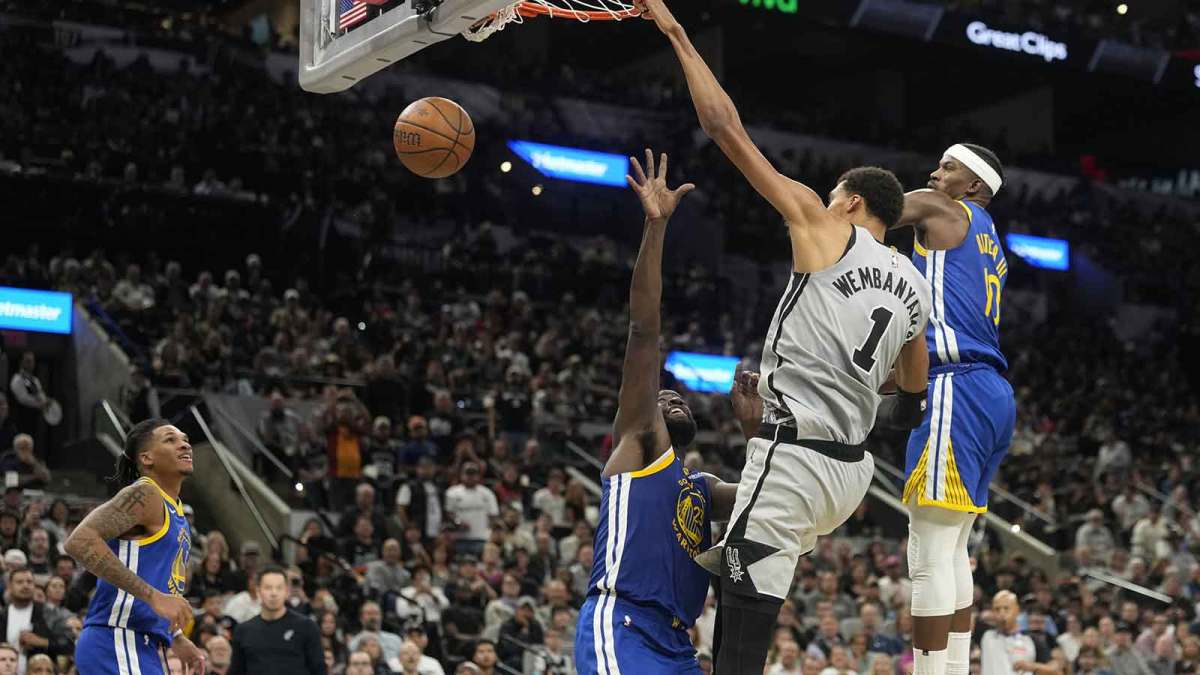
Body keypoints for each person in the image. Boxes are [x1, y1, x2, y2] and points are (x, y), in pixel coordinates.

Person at [640, 4, 932, 671]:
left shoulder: (828, 227)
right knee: (726, 544)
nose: (824, 201)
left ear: (852, 202)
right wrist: (787, 422)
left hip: (796, 463)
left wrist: (676, 33)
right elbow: (910, 404)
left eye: (833, 194)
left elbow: (724, 127)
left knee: (740, 638)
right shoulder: (915, 290)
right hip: (847, 474)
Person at [572, 149, 739, 675]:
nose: (670, 397)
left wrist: (758, 430)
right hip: (622, 623)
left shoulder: (702, 487)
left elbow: (772, 493)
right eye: (661, 396)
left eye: (678, 396)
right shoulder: (643, 440)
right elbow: (644, 330)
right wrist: (656, 227)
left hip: (679, 646)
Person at [890, 140, 1017, 675]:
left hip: (956, 386)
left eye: (948, 168)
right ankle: (956, 668)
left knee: (928, 552)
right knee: (954, 547)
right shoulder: (991, 242)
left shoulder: (946, 210)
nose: (934, 173)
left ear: (975, 188)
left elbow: (875, 206)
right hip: (990, 392)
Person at [66, 419, 204, 675]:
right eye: (170, 439)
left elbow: (158, 583)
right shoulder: (145, 494)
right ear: (147, 457)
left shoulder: (177, 512)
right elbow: (79, 540)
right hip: (116, 638)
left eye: (184, 439)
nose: (184, 444)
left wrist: (175, 636)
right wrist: (152, 596)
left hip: (142, 644)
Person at [227, 566, 326, 675]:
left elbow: (319, 670)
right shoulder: (243, 631)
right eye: (268, 588)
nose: (274, 593)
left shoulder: (307, 627)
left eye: (279, 588)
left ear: (287, 592)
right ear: (258, 591)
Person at [980, 591, 1057, 675]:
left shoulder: (1030, 639)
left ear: (1017, 610)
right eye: (997, 609)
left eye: (1006, 608)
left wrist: (1033, 666)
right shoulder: (986, 636)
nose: (1002, 613)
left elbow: (1055, 669)